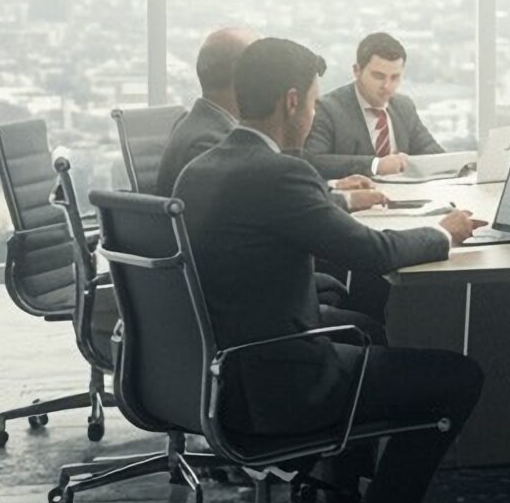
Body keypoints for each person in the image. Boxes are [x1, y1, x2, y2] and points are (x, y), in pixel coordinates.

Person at [173, 37, 483, 503]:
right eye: (314, 101)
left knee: (363, 325)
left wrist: (339, 198)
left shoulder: (201, 168)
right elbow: (373, 250)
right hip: (280, 381)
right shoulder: (278, 172)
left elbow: (277, 210)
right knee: (458, 378)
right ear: (292, 102)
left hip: (214, 372)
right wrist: (444, 233)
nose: (316, 110)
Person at [161, 26, 395, 327]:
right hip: (249, 321)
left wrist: (336, 192)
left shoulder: (201, 127)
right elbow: (262, 204)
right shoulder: (209, 142)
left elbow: (258, 200)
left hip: (224, 308)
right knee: (363, 276)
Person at [305, 32, 446, 178]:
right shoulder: (327, 108)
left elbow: (434, 154)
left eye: (395, 77)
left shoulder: (404, 106)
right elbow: (313, 161)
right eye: (379, 76)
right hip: (353, 198)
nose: (387, 86)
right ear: (357, 71)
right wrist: (376, 165)